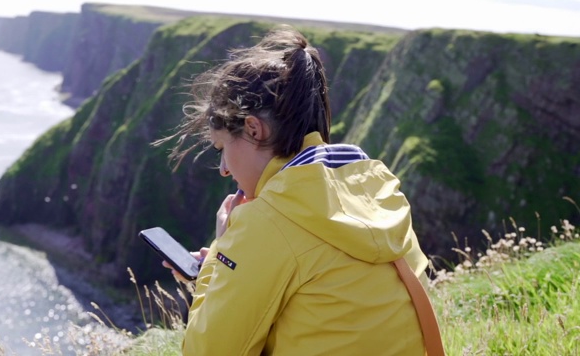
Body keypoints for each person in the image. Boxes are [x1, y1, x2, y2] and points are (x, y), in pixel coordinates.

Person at [156, 25, 435, 355]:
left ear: (253, 129)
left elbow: (206, 352)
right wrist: (233, 264)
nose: (224, 169)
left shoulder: (268, 223)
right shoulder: (375, 186)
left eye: (221, 149)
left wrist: (223, 252)